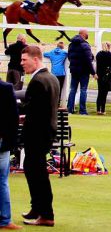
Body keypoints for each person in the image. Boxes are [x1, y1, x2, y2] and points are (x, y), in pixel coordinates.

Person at [19, 44, 59, 226]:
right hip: (46, 132)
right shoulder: (51, 78)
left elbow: (31, 110)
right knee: (34, 170)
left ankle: (46, 214)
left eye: (24, 60)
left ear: (36, 59)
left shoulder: (38, 81)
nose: (21, 63)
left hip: (36, 134)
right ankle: (37, 208)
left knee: (37, 173)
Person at [0, 76, 16, 230]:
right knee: (2, 181)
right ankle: (5, 219)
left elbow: (12, 118)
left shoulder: (6, 88)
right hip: (2, 140)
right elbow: (13, 118)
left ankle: (5, 219)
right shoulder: (6, 88)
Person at [65, 29, 94, 115]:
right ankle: (82, 110)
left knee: (73, 89)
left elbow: (69, 57)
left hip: (74, 70)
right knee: (83, 90)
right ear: (84, 34)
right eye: (87, 33)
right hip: (84, 71)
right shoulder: (85, 45)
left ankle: (69, 109)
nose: (88, 34)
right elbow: (89, 60)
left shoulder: (71, 44)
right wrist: (93, 72)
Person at [94, 41, 111, 115]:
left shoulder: (99, 54)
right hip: (107, 75)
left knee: (100, 92)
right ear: (109, 46)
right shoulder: (110, 55)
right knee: (104, 93)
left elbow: (98, 65)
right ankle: (103, 109)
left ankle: (98, 109)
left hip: (99, 75)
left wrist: (96, 73)